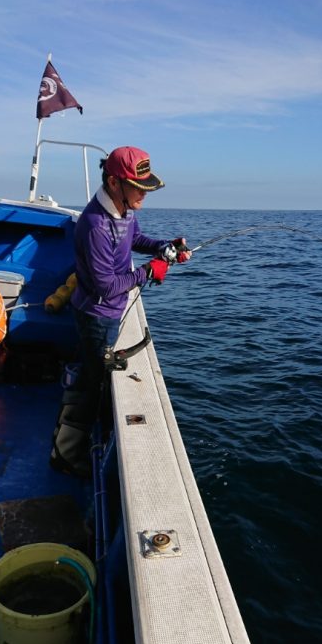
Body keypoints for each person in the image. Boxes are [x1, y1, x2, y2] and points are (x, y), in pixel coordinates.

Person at [50, 145, 190, 477]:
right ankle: (65, 453)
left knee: (93, 373)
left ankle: (72, 437)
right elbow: (106, 286)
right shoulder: (96, 225)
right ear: (115, 183)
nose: (144, 194)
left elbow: (135, 238)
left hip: (109, 313)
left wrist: (163, 247)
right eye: (138, 187)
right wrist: (149, 271)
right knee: (93, 381)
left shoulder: (123, 210)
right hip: (96, 315)